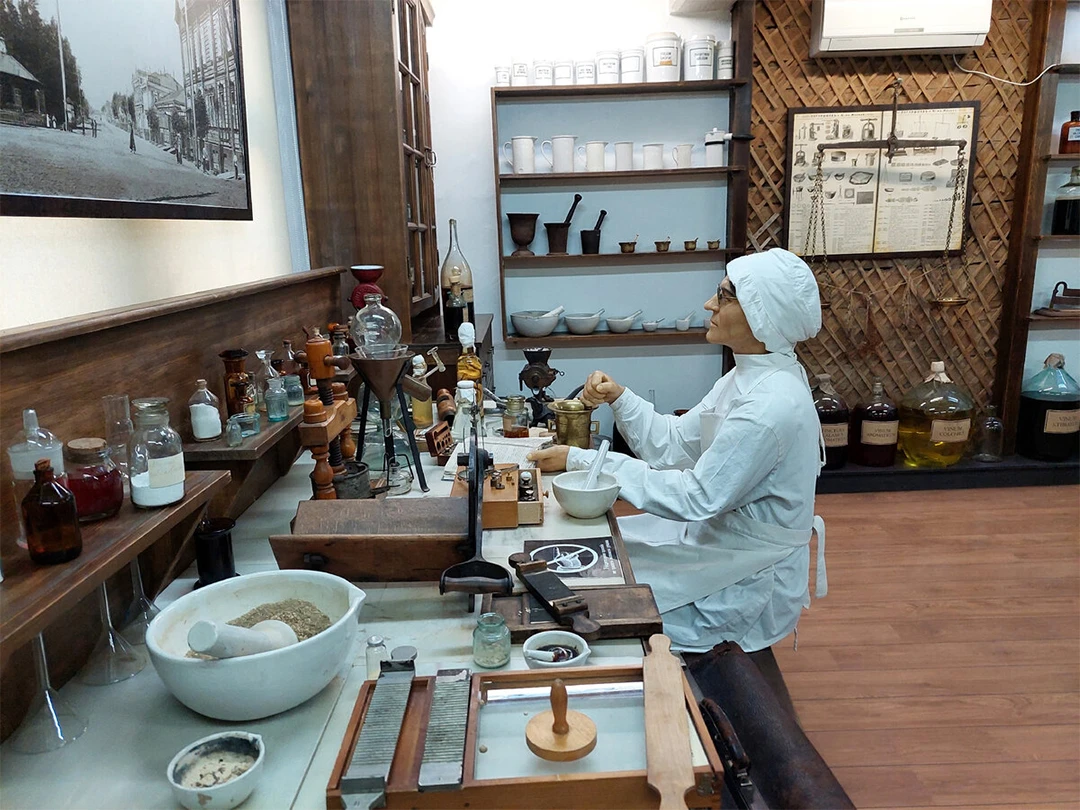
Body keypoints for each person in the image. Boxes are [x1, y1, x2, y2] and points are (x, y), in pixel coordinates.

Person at [528, 248, 827, 657]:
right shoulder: (748, 376)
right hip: (717, 537)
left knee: (595, 590)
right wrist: (619, 397)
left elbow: (696, 497)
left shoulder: (770, 404)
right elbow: (672, 444)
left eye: (724, 296)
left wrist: (583, 460)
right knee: (596, 556)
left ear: (762, 314)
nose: (709, 304)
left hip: (748, 572)